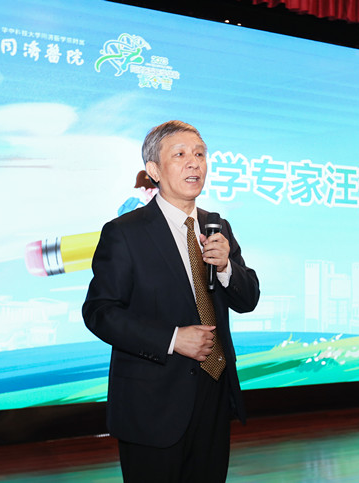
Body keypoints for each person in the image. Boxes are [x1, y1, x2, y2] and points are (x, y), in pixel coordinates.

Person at [82, 120, 260, 482]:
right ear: (154, 170)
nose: (194, 162)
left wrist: (226, 266)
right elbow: (100, 312)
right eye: (180, 155)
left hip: (214, 395)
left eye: (200, 154)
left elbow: (248, 299)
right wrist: (173, 338)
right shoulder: (125, 232)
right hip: (152, 403)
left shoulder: (217, 227)